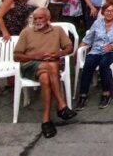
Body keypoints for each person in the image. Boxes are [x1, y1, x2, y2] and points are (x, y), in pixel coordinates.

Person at [13, 7, 76, 138]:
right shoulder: (26, 32)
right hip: (30, 64)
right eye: (35, 18)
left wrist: (59, 53)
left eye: (40, 18)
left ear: (48, 19)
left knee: (45, 78)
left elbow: (69, 48)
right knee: (51, 66)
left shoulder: (58, 30)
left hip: (47, 67)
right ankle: (61, 105)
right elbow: (17, 56)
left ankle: (46, 120)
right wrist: (36, 56)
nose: (37, 21)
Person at [76, 3, 113, 110]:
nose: (109, 13)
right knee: (88, 64)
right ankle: (83, 95)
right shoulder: (97, 23)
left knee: (104, 64)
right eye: (107, 11)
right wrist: (78, 51)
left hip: (111, 51)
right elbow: (87, 39)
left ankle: (106, 93)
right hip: (95, 50)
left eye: (112, 11)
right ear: (103, 12)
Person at [0, 0, 34, 95]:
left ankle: (11, 81)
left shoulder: (24, 0)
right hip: (3, 31)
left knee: (13, 56)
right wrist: (5, 32)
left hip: (16, 31)